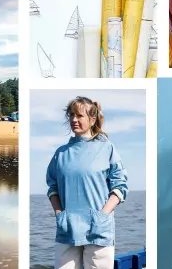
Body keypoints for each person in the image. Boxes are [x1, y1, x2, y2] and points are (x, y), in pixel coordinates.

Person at [46, 97, 128, 269]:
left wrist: (103, 215)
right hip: (67, 229)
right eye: (71, 115)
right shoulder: (60, 153)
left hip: (99, 230)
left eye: (79, 116)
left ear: (92, 120)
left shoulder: (107, 148)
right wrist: (59, 213)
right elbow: (52, 187)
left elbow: (120, 186)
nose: (74, 120)